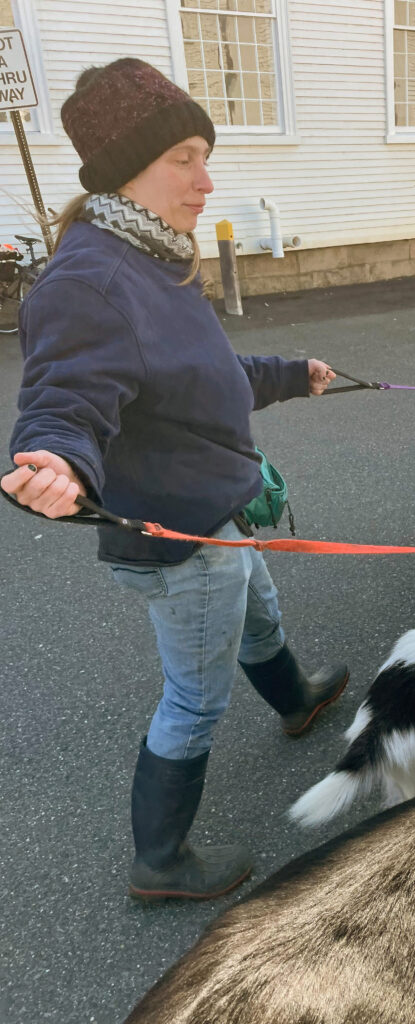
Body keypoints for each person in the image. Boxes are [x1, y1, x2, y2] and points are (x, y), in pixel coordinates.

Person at [0, 58, 348, 902]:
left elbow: (205, 373)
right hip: (177, 538)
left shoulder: (149, 252)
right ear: (130, 168)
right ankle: (159, 861)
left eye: (204, 154)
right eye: (186, 157)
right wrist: (55, 456)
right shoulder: (92, 280)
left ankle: (296, 698)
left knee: (258, 606)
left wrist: (289, 372)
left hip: (215, 510)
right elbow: (65, 395)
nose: (206, 178)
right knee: (194, 698)